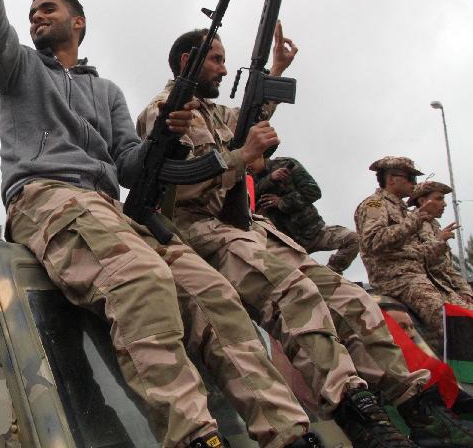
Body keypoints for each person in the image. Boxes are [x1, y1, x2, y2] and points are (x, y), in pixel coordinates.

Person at [0, 0, 322, 448]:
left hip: (107, 209)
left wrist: (164, 139)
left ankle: (289, 433)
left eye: (50, 8)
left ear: (78, 23)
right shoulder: (20, 69)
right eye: (33, 10)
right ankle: (195, 437)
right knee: (141, 279)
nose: (38, 16)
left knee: (213, 297)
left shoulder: (106, 91)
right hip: (47, 197)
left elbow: (129, 164)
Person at [138, 28, 473, 447]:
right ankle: (358, 413)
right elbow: (176, 187)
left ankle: (416, 408)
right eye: (216, 60)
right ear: (189, 60)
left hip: (246, 228)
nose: (224, 69)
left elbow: (249, 117)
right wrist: (241, 158)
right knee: (293, 292)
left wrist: (275, 69)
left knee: (349, 298)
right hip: (199, 228)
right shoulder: (165, 112)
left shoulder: (212, 113)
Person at [357, 162, 473, 355]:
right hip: (397, 278)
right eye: (410, 178)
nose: (414, 183)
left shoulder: (402, 210)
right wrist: (417, 218)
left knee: (465, 314)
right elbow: (373, 242)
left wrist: (437, 243)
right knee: (449, 319)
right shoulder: (374, 204)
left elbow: (418, 253)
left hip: (420, 276)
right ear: (391, 179)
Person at [250, 156, 359, 273]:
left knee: (353, 239)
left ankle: (332, 272)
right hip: (286, 245)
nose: (248, 165)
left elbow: (313, 191)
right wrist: (269, 179)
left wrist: (282, 202)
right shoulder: (246, 179)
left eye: (251, 159)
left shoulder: (286, 164)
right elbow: (245, 203)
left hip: (313, 232)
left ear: (260, 153)